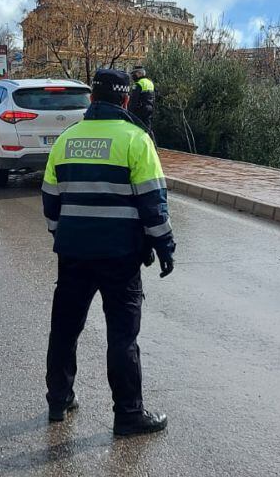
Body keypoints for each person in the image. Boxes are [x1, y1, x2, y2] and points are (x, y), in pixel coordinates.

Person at [41, 68, 175, 437]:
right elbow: (153, 203)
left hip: (73, 255)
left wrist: (64, 235)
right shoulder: (136, 139)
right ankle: (128, 415)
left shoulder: (67, 139)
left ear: (92, 99)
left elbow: (51, 201)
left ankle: (58, 399)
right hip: (121, 256)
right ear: (126, 100)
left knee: (65, 329)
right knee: (122, 336)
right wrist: (164, 246)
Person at [128, 66, 156, 136]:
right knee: (147, 130)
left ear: (140, 73)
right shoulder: (150, 82)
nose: (133, 76)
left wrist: (129, 112)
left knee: (137, 129)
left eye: (134, 73)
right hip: (149, 109)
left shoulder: (138, 84)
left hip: (139, 111)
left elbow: (133, 100)